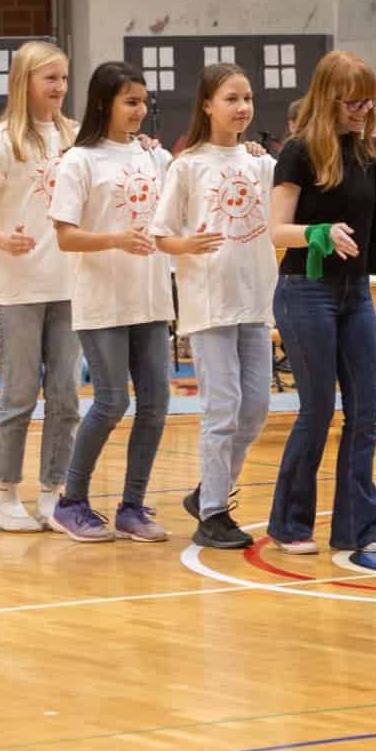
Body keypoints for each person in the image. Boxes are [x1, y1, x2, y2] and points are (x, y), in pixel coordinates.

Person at [267, 50, 376, 555]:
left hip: (356, 292)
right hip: (306, 291)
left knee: (365, 411)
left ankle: (358, 527)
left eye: (369, 101)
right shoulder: (298, 152)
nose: (364, 110)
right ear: (328, 98)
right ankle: (289, 523)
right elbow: (276, 230)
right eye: (353, 102)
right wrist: (317, 232)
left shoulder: (371, 151)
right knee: (318, 408)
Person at [151, 63, 278, 551]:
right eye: (231, 99)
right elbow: (162, 235)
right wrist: (187, 246)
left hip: (255, 300)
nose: (242, 107)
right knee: (222, 409)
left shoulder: (262, 164)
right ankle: (213, 514)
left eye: (247, 98)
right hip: (209, 303)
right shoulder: (186, 166)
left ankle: (210, 490)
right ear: (207, 105)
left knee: (256, 409)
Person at [47, 61, 174, 543]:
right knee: (112, 400)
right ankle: (71, 502)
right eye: (130, 102)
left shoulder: (155, 157)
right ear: (104, 103)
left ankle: (132, 508)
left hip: (151, 298)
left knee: (156, 404)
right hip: (102, 301)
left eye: (143, 102)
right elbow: (65, 236)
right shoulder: (79, 161)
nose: (140, 110)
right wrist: (116, 240)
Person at [0, 41, 77, 533]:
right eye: (50, 78)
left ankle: (53, 493)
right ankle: (4, 493)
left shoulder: (76, 137)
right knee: (19, 396)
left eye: (64, 78)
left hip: (70, 287)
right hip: (18, 289)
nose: (59, 87)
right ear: (24, 82)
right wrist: (3, 240)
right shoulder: (0, 142)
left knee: (66, 397)